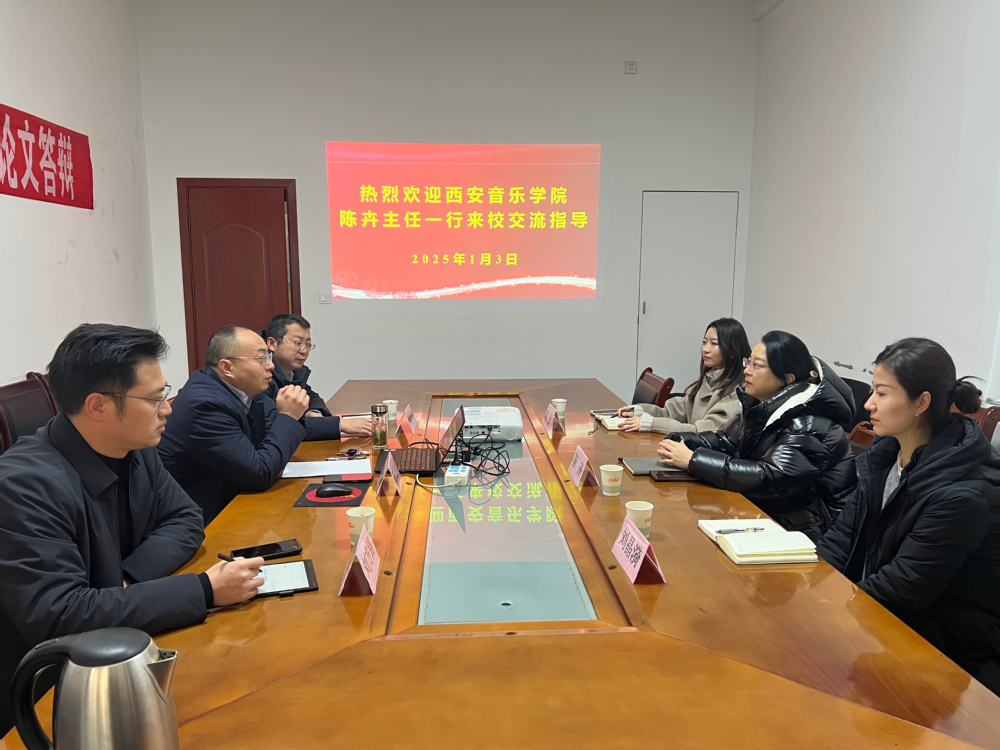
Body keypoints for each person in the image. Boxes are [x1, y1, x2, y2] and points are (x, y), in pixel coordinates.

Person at [0, 324, 264, 736]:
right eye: (155, 398)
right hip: (53, 699)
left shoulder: (133, 447)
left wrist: (128, 579)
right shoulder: (23, 485)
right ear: (98, 406)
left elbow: (185, 518)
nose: (167, 409)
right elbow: (61, 616)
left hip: (124, 654)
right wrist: (203, 591)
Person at [817, 338, 1000, 694]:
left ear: (921, 403)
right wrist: (813, 593)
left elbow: (902, 588)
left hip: (943, 656)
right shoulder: (885, 456)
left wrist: (833, 610)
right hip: (878, 622)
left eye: (882, 393)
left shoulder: (962, 493)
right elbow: (840, 540)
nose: (868, 403)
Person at [658, 330, 856, 542]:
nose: (746, 371)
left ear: (786, 379)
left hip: (808, 532)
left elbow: (769, 478)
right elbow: (725, 441)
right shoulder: (763, 405)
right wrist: (681, 440)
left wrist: (693, 460)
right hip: (769, 512)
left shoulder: (809, 423)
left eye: (757, 365)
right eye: (748, 362)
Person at [158, 325, 310, 525]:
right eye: (261, 358)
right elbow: (259, 473)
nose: (271, 366)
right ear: (227, 368)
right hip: (200, 521)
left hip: (232, 501)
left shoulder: (240, 391)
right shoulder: (205, 405)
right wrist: (288, 416)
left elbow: (263, 441)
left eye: (268, 357)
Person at [617, 318, 750, 434]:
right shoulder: (709, 379)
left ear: (733, 352)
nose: (705, 349)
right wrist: (641, 410)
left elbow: (701, 432)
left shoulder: (737, 394)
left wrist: (651, 424)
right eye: (704, 342)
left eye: (714, 344)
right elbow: (672, 411)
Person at [263, 313, 371, 441]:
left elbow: (311, 396)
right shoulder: (261, 376)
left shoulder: (293, 372)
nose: (304, 351)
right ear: (272, 343)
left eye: (308, 344)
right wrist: (339, 424)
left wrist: (313, 412)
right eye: (297, 343)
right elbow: (276, 426)